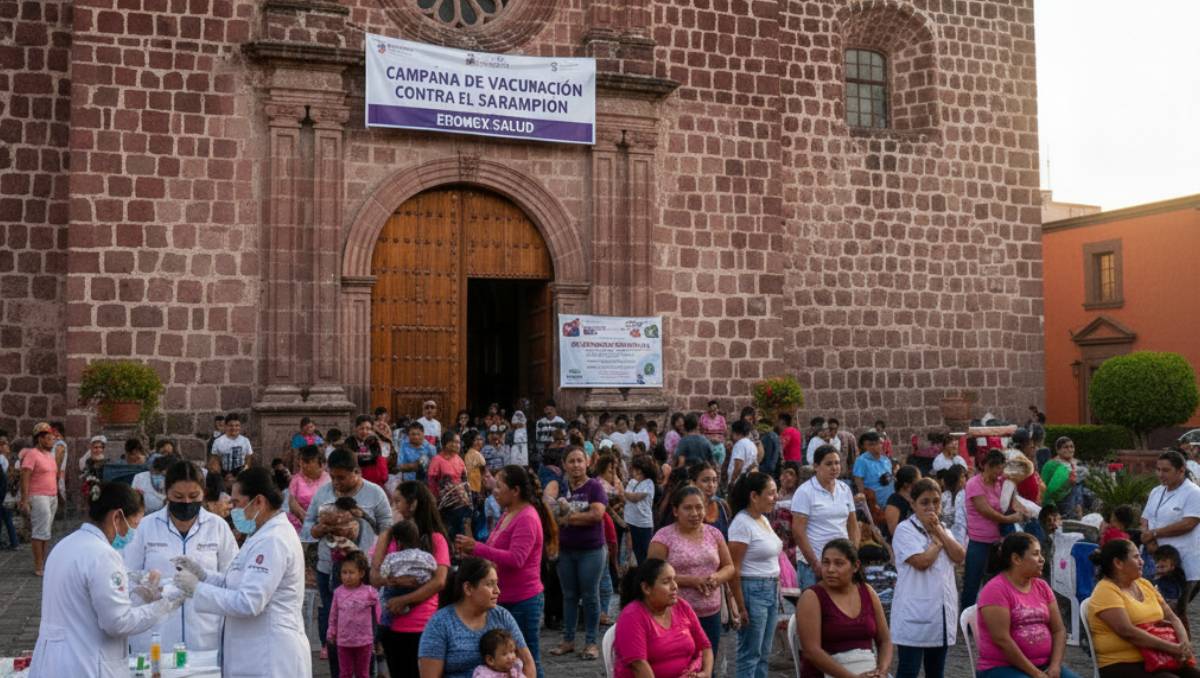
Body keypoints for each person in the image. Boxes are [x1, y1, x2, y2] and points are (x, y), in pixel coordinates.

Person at [30, 482, 183, 678]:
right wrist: (165, 604)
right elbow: (117, 623)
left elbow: (90, 604)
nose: (133, 534)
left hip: (54, 661)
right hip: (86, 664)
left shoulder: (65, 545)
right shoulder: (104, 555)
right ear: (117, 517)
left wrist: (139, 596)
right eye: (134, 525)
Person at [171, 467, 311, 678]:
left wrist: (197, 589)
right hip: (254, 651)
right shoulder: (260, 534)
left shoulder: (273, 540)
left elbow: (249, 601)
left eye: (236, 503)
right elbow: (237, 582)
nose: (231, 508)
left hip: (270, 656)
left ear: (258, 502)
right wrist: (204, 575)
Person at [121, 460, 238, 654]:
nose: (186, 503)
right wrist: (146, 586)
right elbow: (126, 573)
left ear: (204, 493)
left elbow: (232, 580)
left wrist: (203, 582)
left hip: (206, 640)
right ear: (166, 493)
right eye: (178, 496)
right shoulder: (146, 527)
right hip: (155, 640)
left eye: (193, 496)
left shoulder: (218, 527)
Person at [456, 465, 553, 678]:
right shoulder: (508, 513)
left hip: (523, 600)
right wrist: (472, 553)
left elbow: (517, 559)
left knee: (528, 659)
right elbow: (494, 550)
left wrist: (477, 548)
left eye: (499, 485)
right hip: (504, 598)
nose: (494, 490)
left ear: (515, 490)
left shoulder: (526, 517)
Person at [303, 448, 392, 673]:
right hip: (328, 567)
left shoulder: (375, 493)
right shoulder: (323, 493)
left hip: (365, 570)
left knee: (366, 624)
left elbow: (387, 529)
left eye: (341, 477)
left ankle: (368, 670)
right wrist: (320, 529)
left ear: (356, 472)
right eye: (332, 477)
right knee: (332, 620)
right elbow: (306, 528)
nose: (336, 483)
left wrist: (362, 527)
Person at [1087, 538, 1199, 678]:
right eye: (1136, 557)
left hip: (1158, 657)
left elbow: (1173, 617)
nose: (1142, 561)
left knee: (1194, 674)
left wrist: (1184, 645)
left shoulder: (1144, 584)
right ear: (1118, 563)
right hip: (1122, 663)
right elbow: (1128, 632)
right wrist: (1172, 648)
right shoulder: (1106, 591)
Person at [648, 485, 735, 663]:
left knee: (707, 664)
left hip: (710, 613)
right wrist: (691, 581)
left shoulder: (714, 534)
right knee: (679, 665)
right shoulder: (663, 537)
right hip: (674, 613)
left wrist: (716, 578)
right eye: (687, 508)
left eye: (699, 507)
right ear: (675, 510)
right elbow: (652, 575)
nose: (694, 513)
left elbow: (729, 567)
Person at [373, 481, 450, 676]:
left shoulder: (434, 538)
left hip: (423, 624)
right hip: (392, 624)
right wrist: (393, 582)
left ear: (413, 504)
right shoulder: (388, 536)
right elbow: (374, 577)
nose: (394, 506)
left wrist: (404, 599)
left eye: (398, 501)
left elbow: (439, 581)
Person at [975, 532, 1078, 678]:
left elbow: (1059, 630)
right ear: (1016, 559)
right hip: (1001, 668)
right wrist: (1035, 673)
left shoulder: (1042, 586)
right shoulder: (995, 590)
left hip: (1044, 664)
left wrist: (1055, 666)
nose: (1042, 559)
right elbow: (1002, 640)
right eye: (1035, 554)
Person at [890, 479, 965, 678]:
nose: (931, 507)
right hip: (914, 614)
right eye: (924, 502)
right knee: (908, 671)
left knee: (936, 671)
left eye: (936, 502)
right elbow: (922, 562)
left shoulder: (944, 530)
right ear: (913, 504)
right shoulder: (904, 530)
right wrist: (937, 544)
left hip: (940, 614)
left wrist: (939, 532)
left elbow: (959, 556)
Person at [418, 557, 536, 678]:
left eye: (496, 583)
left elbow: (527, 662)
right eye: (490, 584)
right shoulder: (440, 623)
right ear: (468, 588)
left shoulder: (502, 616)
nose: (498, 591)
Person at [796, 539, 893, 678]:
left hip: (868, 671)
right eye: (826, 562)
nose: (830, 569)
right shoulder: (812, 597)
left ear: (855, 566)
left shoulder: (867, 591)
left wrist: (881, 671)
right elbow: (811, 651)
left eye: (839, 563)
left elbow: (885, 640)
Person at [548, 446, 607, 660]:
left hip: (591, 550)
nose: (575, 465)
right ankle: (568, 640)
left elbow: (596, 514)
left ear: (588, 462)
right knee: (569, 596)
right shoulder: (560, 488)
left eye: (579, 460)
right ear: (564, 464)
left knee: (590, 596)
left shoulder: (594, 487)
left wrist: (567, 519)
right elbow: (549, 509)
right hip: (565, 550)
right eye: (571, 461)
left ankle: (591, 642)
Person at [612, 558, 714, 678]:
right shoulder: (632, 616)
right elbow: (639, 666)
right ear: (646, 588)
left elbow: (705, 646)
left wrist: (705, 674)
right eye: (666, 582)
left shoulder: (682, 606)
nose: (675, 586)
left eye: (674, 580)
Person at [728, 471, 783, 678]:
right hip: (753, 590)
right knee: (750, 653)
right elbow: (735, 568)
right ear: (754, 496)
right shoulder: (742, 524)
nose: (775, 498)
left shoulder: (762, 519)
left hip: (770, 588)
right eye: (770, 494)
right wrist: (740, 606)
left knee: (764, 653)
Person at [962, 449, 1023, 609]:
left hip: (997, 541)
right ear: (986, 466)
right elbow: (986, 511)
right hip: (979, 542)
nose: (999, 472)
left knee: (995, 583)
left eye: (1002, 469)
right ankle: (967, 619)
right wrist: (1009, 519)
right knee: (972, 583)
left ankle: (991, 615)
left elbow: (1009, 502)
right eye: (996, 468)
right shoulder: (974, 484)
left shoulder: (1000, 482)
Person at [792, 444, 859, 589]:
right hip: (813, 565)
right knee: (814, 608)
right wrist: (815, 564)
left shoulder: (845, 489)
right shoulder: (805, 492)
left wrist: (853, 556)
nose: (834, 467)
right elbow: (798, 532)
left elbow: (853, 524)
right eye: (829, 464)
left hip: (841, 563)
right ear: (816, 466)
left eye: (837, 463)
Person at [327, 550, 380, 678]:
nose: (347, 576)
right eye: (344, 572)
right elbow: (333, 615)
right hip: (343, 642)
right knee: (345, 673)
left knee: (363, 674)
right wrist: (331, 632)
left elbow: (379, 609)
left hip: (364, 642)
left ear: (361, 573)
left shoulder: (369, 592)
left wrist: (379, 629)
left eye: (351, 572)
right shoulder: (338, 593)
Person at [20, 422, 59, 576]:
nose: (52, 441)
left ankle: (43, 562)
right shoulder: (32, 454)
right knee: (39, 531)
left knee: (46, 531)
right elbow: (25, 476)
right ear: (40, 439)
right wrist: (24, 499)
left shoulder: (50, 455)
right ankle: (38, 565)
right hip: (38, 496)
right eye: (49, 438)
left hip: (52, 496)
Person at [622, 454, 657, 565]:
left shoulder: (649, 483)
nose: (636, 474)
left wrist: (622, 493)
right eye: (635, 471)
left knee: (645, 553)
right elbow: (626, 497)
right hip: (631, 522)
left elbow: (635, 498)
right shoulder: (632, 482)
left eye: (639, 472)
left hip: (643, 524)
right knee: (635, 552)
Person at [288, 444, 330, 533]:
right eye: (301, 461)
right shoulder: (296, 479)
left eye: (307, 462)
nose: (303, 465)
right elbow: (292, 503)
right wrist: (306, 519)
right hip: (299, 523)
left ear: (321, 464)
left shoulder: (329, 480)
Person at [1041, 436, 1082, 517]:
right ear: (1058, 450)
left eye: (1071, 447)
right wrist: (1068, 483)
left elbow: (1077, 488)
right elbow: (1049, 490)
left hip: (1073, 506)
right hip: (1055, 506)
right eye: (1065, 447)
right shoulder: (1052, 465)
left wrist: (1078, 504)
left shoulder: (1074, 464)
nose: (1070, 450)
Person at [690, 462, 731, 538]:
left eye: (714, 480)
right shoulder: (687, 507)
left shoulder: (722, 505)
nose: (711, 485)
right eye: (705, 480)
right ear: (693, 483)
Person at [853, 430, 893, 506]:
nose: (875, 447)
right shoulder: (861, 461)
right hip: (874, 505)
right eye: (871, 445)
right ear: (865, 447)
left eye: (878, 443)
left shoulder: (886, 460)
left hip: (889, 501)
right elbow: (859, 482)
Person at [884, 465, 921, 539]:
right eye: (918, 480)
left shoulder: (916, 497)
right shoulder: (894, 502)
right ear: (906, 484)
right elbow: (893, 532)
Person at [727, 419, 758, 487]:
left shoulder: (739, 444)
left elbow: (738, 465)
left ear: (736, 432)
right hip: (748, 480)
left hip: (738, 482)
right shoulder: (752, 445)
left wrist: (732, 481)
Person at [699, 400, 728, 465]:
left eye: (715, 410)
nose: (713, 413)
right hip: (707, 444)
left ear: (718, 409)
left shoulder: (721, 418)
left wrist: (720, 440)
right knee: (708, 466)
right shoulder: (703, 417)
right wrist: (709, 439)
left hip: (719, 445)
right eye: (711, 411)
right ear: (708, 410)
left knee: (718, 466)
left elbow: (725, 433)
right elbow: (700, 432)